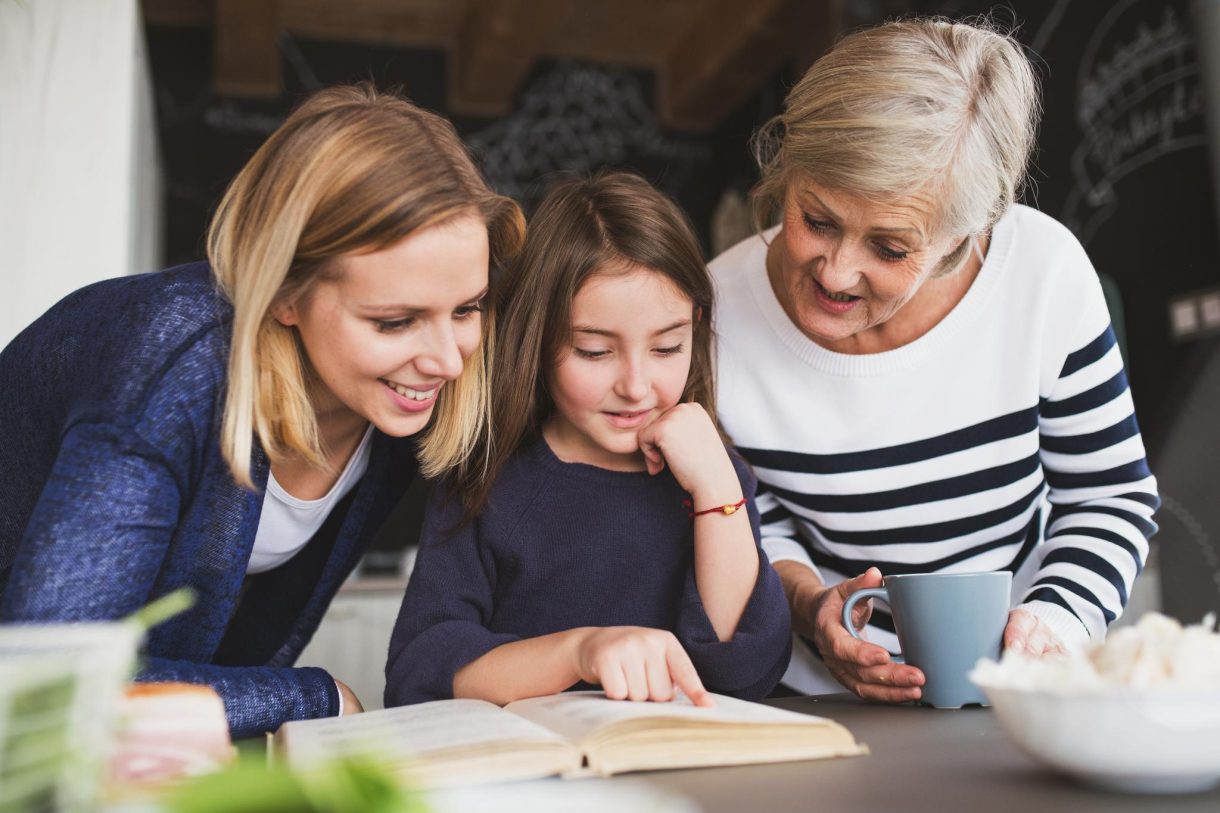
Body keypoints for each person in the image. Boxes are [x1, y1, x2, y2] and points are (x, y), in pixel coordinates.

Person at [0, 85, 524, 737]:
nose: (448, 359)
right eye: (395, 321)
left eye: (467, 308)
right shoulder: (171, 363)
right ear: (283, 293)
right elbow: (47, 688)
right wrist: (313, 697)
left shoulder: (393, 402)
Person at [710, 18, 1160, 702]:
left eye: (890, 248)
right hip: (819, 700)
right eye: (818, 218)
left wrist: (1050, 622)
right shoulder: (714, 313)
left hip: (1018, 695)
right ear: (788, 169)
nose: (836, 271)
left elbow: (1107, 497)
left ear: (964, 237)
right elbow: (751, 517)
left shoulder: (1040, 273)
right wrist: (814, 607)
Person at [384, 172, 791, 708]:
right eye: (595, 352)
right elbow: (420, 670)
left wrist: (717, 488)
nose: (636, 386)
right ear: (538, 339)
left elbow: (744, 670)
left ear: (695, 327)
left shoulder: (715, 476)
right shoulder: (485, 481)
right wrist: (579, 652)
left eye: (668, 347)